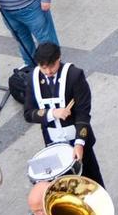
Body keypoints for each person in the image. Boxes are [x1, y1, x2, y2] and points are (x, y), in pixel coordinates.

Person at [24, 42, 105, 186]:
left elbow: (83, 113)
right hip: (53, 142)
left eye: (52, 66)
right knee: (64, 183)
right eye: (43, 67)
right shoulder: (33, 78)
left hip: (77, 138)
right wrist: (52, 113)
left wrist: (79, 144)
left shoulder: (74, 75)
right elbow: (29, 113)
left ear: (59, 58)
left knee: (90, 178)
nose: (48, 71)